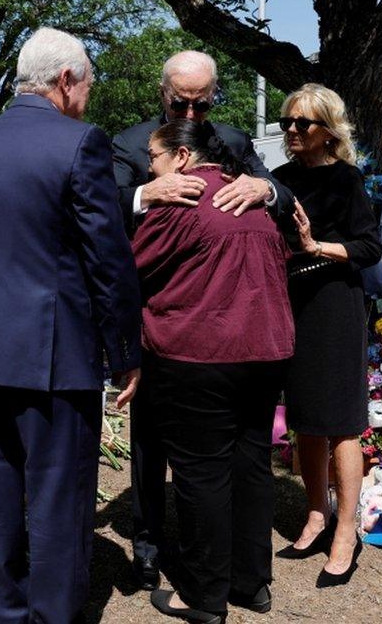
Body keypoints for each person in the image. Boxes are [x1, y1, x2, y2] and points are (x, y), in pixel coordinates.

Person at [0, 27, 142, 624]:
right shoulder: (80, 143)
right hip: (55, 356)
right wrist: (126, 349)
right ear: (65, 82)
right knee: (58, 496)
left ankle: (4, 611)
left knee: (0, 488)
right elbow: (107, 260)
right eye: (86, 86)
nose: (87, 98)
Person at [112, 49, 297, 590]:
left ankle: (223, 565)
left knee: (224, 458)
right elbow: (100, 203)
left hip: (219, 326)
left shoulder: (234, 143)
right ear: (161, 92)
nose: (190, 114)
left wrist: (267, 189)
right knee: (150, 441)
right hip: (160, 313)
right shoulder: (130, 143)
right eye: (179, 102)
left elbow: (283, 196)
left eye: (201, 101)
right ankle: (149, 545)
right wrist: (148, 191)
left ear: (214, 95)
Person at [271, 84, 382, 588]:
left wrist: (317, 245)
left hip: (336, 305)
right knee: (305, 419)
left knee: (340, 421)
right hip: (292, 305)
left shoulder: (346, 180)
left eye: (303, 124)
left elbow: (368, 247)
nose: (292, 130)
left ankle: (345, 528)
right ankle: (315, 513)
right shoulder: (277, 181)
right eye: (287, 122)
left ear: (327, 131)